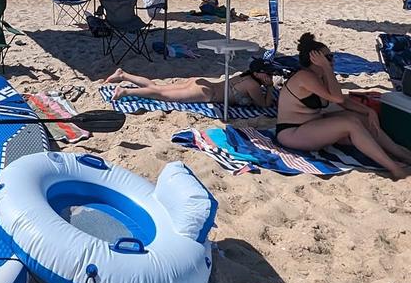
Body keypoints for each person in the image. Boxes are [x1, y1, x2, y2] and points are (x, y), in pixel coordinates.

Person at [275, 32, 411, 180]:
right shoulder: (305, 77)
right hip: (291, 132)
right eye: (328, 57)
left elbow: (342, 101)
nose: (332, 60)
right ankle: (394, 168)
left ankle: (399, 153)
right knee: (349, 124)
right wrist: (327, 68)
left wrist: (368, 111)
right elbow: (337, 97)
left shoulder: (320, 76)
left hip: (310, 124)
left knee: (358, 118)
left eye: (331, 56)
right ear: (315, 59)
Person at [105, 59, 277, 108]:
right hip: (206, 93)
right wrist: (269, 87)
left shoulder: (244, 76)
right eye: (266, 73)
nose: (269, 75)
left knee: (158, 88)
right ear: (256, 73)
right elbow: (264, 105)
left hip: (201, 83)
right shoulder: (253, 85)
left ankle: (124, 75)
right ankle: (125, 92)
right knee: (162, 95)